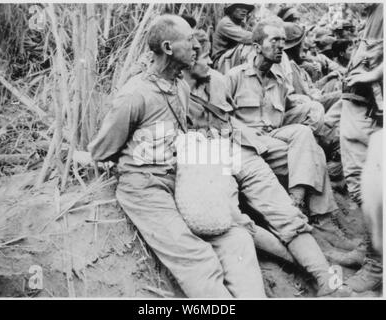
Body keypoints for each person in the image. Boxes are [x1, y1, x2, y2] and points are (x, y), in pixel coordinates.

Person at [88, 14, 266, 298]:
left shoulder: (180, 87)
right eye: (190, 40)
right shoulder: (136, 95)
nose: (196, 46)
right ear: (169, 48)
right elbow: (101, 151)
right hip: (144, 189)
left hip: (179, 181)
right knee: (198, 259)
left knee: (237, 239)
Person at [183, 29, 351, 297]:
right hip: (202, 163)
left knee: (286, 213)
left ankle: (327, 281)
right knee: (237, 222)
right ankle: (309, 269)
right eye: (204, 57)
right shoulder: (170, 91)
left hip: (238, 149)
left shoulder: (215, 80)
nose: (212, 62)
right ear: (187, 59)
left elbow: (228, 121)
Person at [225, 19, 360, 253]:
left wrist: (310, 105)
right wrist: (247, 135)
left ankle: (307, 209)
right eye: (274, 40)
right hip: (246, 145)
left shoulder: (279, 81)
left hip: (274, 138)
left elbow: (287, 111)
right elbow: (221, 115)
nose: (281, 46)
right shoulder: (235, 77)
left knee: (307, 136)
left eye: (283, 41)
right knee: (314, 151)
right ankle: (319, 219)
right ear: (257, 47)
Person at [340, 3, 383, 293]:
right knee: (357, 180)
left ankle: (377, 264)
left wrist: (373, 75)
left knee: (372, 188)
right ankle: (370, 249)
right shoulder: (370, 15)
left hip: (371, 112)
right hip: (358, 107)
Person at [211, 3, 255, 72]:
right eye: (240, 7)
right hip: (221, 62)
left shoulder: (241, 24)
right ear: (231, 9)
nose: (244, 10)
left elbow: (254, 31)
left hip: (232, 60)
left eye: (246, 8)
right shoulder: (226, 23)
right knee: (247, 45)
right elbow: (248, 37)